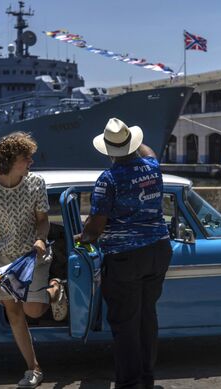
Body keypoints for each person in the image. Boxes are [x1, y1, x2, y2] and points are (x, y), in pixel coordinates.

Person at [75, 118, 173, 389]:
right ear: (133, 143)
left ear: (108, 151)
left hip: (126, 257)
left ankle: (130, 384)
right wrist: (131, 139)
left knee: (125, 323)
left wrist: (82, 237)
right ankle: (147, 377)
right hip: (158, 250)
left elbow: (96, 226)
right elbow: (148, 151)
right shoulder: (153, 167)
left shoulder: (108, 180)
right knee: (146, 317)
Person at [0, 132, 67, 389]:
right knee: (13, 312)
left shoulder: (36, 183)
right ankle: (34, 368)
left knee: (32, 310)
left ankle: (56, 290)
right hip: (3, 257)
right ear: (10, 160)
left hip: (34, 256)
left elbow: (43, 220)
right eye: (26, 157)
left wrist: (41, 239)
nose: (31, 162)